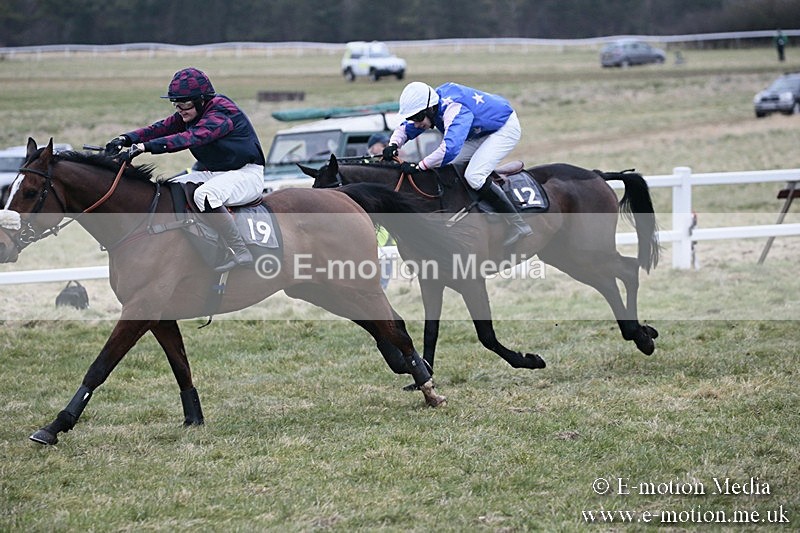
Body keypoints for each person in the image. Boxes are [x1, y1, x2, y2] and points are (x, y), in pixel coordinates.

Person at [105, 67, 265, 272]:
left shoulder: (221, 112)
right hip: (215, 173)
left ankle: (240, 250)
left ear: (201, 99)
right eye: (176, 103)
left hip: (246, 174)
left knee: (205, 195)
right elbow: (161, 128)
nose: (180, 108)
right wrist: (126, 138)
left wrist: (145, 147)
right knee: (169, 190)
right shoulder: (191, 113)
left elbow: (192, 137)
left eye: (185, 103)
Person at [383, 81, 532, 247]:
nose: (416, 123)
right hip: (480, 131)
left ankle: (518, 224)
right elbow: (407, 127)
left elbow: (449, 149)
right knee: (445, 169)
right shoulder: (432, 105)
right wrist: (393, 144)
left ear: (430, 109)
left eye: (417, 118)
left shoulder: (454, 109)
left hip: (503, 128)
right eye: (412, 118)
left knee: (474, 176)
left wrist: (419, 166)